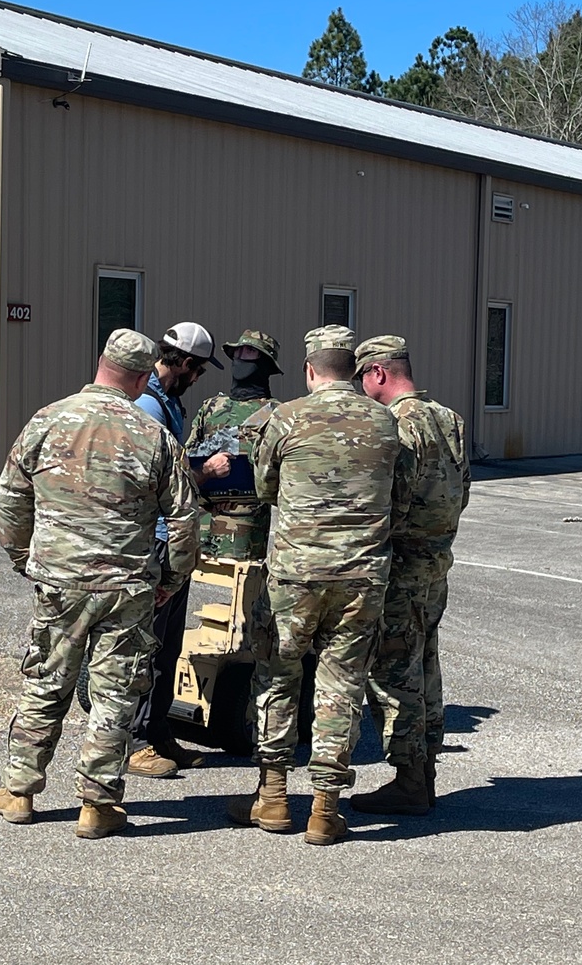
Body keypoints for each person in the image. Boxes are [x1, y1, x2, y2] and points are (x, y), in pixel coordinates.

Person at [0, 329, 200, 839]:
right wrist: (170, 579)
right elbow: (186, 520)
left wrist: (26, 559)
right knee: (114, 694)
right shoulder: (154, 436)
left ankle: (20, 791)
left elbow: (9, 502)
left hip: (61, 581)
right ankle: (97, 804)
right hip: (128, 586)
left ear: (101, 361)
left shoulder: (47, 419)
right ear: (144, 375)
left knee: (46, 680)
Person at [227, 325, 414, 845]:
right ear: (354, 371)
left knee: (278, 677)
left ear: (310, 369)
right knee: (341, 686)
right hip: (361, 578)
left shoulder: (286, 419)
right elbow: (399, 500)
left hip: (296, 574)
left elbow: (263, 487)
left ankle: (272, 798)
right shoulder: (384, 421)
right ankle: (326, 808)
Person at [349, 335, 470, 816]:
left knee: (395, 671)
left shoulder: (394, 425)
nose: (360, 388)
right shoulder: (450, 420)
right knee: (426, 667)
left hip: (399, 566)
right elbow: (462, 492)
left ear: (378, 372)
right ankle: (425, 771)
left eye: (362, 378)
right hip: (436, 563)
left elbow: (387, 501)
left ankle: (409, 779)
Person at [128, 321, 231, 778]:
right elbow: (153, 486)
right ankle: (131, 740)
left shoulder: (167, 401)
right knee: (141, 645)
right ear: (185, 363)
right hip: (151, 545)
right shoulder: (148, 408)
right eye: (200, 371)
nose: (199, 379)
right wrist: (204, 474)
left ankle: (158, 732)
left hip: (171, 545)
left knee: (168, 647)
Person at [185, 330, 282, 561]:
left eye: (249, 352)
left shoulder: (277, 413)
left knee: (242, 591)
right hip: (200, 519)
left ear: (265, 364)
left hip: (243, 527)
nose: (240, 357)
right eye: (237, 352)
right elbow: (185, 460)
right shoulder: (211, 407)